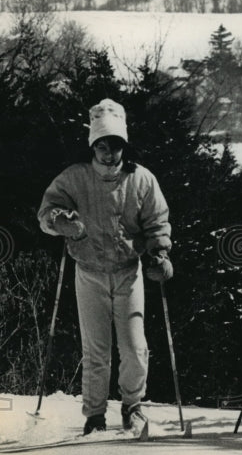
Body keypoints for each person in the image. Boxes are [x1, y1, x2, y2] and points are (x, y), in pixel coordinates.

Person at [38, 98, 174, 435]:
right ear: (92, 146)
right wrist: (60, 222)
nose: (109, 153)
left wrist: (160, 254)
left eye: (115, 145)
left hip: (129, 271)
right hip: (89, 271)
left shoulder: (141, 179)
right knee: (96, 348)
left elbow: (157, 222)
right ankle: (95, 415)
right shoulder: (75, 178)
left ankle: (134, 406)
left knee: (133, 345)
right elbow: (47, 212)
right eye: (102, 145)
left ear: (124, 146)